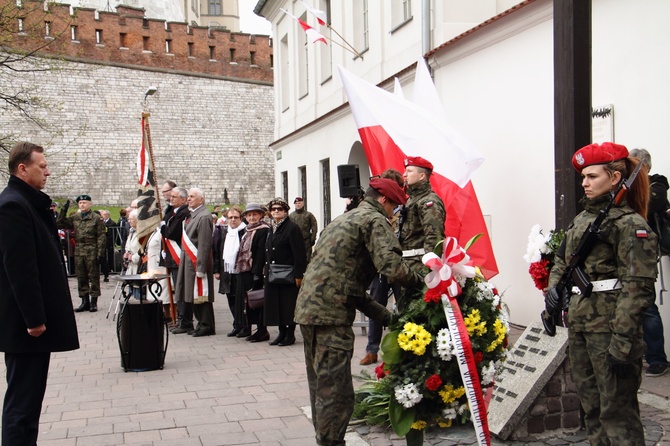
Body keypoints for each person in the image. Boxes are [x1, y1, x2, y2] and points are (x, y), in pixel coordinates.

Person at [295, 178, 424, 446]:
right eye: (394, 208)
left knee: (321, 386)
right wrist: (425, 283)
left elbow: (349, 284)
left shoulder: (346, 218)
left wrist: (388, 318)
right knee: (337, 394)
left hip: (310, 310)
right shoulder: (374, 220)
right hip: (331, 316)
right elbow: (392, 267)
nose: (394, 215)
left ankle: (326, 439)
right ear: (383, 201)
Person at [547, 142, 658, 446]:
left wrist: (623, 340)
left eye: (593, 176)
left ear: (614, 178)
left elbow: (637, 288)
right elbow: (562, 261)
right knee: (591, 410)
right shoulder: (582, 220)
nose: (585, 182)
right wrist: (552, 291)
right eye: (583, 176)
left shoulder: (630, 225)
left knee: (617, 413)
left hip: (610, 330)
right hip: (582, 325)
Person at [0, 141, 79, 445]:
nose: (48, 171)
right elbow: (20, 270)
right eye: (42, 166)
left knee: (28, 404)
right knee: (22, 405)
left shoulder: (25, 203)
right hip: (26, 328)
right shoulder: (13, 206)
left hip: (30, 326)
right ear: (23, 168)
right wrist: (34, 319)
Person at [628, 148, 669, 377]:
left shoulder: (657, 186)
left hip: (644, 255)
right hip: (627, 253)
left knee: (648, 307)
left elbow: (648, 205)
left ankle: (657, 359)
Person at [360, 168, 405, 366]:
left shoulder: (404, 207)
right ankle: (372, 350)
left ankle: (401, 348)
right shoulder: (374, 209)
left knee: (403, 307)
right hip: (379, 267)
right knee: (376, 306)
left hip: (398, 264)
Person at [397, 156, 446, 312]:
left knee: (417, 311)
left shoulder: (428, 202)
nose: (404, 174)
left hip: (420, 266)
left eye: (409, 171)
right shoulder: (412, 200)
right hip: (409, 264)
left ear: (422, 176)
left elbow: (434, 237)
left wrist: (429, 271)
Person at [265, 197, 307, 346]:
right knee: (277, 304)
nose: (276, 211)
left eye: (280, 209)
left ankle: (290, 334)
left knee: (288, 304)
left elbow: (300, 254)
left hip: (288, 273)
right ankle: (281, 332)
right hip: (274, 273)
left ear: (285, 212)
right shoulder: (272, 227)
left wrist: (299, 275)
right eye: (273, 209)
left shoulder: (292, 228)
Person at [174, 188, 215, 337]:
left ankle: (207, 324)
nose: (189, 199)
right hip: (189, 260)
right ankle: (200, 323)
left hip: (196, 261)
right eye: (189, 196)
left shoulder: (203, 216)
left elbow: (204, 244)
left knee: (201, 295)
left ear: (201, 199)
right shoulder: (193, 215)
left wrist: (201, 266)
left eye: (192, 196)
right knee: (192, 294)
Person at [57, 194, 106, 312]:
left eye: (84, 202)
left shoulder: (96, 218)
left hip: (92, 248)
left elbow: (101, 236)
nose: (82, 205)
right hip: (79, 248)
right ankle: (84, 301)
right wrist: (63, 210)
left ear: (90, 204)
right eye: (80, 203)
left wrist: (100, 253)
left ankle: (94, 301)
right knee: (81, 275)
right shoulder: (76, 218)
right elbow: (60, 223)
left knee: (93, 275)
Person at [233, 203, 270, 341]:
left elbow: (261, 253)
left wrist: (257, 273)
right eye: (249, 215)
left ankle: (262, 330)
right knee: (247, 302)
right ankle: (249, 327)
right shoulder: (246, 231)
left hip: (256, 271)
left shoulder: (263, 230)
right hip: (244, 270)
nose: (252, 217)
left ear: (261, 215)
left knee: (258, 300)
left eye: (255, 214)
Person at [212, 206, 246, 337]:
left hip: (240, 271)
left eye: (235, 217)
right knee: (230, 298)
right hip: (226, 270)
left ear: (240, 218)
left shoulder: (244, 231)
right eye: (230, 217)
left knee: (241, 300)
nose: (232, 220)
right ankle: (236, 325)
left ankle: (244, 325)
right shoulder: (223, 232)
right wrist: (216, 270)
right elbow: (216, 251)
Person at [162, 187, 190, 333]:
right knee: (177, 290)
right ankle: (180, 319)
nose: (170, 199)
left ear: (183, 200)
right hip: (172, 257)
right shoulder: (172, 212)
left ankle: (185, 320)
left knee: (181, 290)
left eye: (174, 197)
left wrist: (163, 228)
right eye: (170, 196)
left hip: (179, 256)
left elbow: (172, 233)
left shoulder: (184, 214)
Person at [289, 197, 318, 264]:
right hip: (295, 240)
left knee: (306, 259)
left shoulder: (309, 215)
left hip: (306, 240)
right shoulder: (291, 216)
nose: (298, 205)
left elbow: (314, 226)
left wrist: (313, 238)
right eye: (296, 203)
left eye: (299, 203)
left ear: (303, 204)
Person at [100, 210, 116, 281]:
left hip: (108, 243)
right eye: (103, 214)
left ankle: (108, 270)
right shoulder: (101, 222)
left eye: (105, 214)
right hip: (102, 243)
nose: (104, 216)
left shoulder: (111, 223)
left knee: (108, 257)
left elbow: (112, 234)